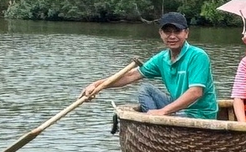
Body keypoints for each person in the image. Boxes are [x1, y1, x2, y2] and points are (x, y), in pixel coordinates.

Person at [79, 11, 218, 119]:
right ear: (160, 33)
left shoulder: (198, 56)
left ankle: (157, 122)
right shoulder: (162, 58)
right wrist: (96, 85)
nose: (172, 36)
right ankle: (157, 123)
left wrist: (163, 111)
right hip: (176, 110)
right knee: (145, 89)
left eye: (177, 31)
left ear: (186, 33)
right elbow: (129, 76)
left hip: (198, 114)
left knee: (164, 110)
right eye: (167, 32)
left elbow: (196, 92)